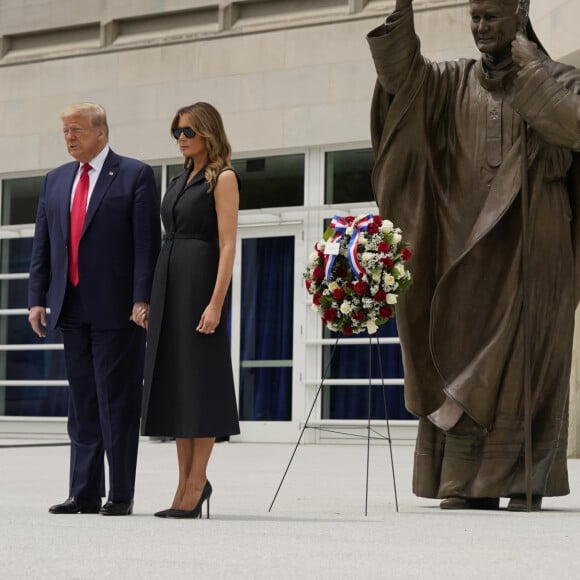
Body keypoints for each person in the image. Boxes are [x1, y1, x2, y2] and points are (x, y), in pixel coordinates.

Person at [367, 0, 580, 510]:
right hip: (464, 238)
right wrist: (401, 17)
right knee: (458, 350)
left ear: (520, 13)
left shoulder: (562, 78)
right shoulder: (452, 82)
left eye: (492, 17)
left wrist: (533, 68)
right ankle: (462, 481)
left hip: (534, 241)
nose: (481, 28)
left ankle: (522, 478)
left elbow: (570, 126)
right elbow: (405, 84)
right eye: (475, 17)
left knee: (527, 357)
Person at [28, 103, 160, 516]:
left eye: (77, 130)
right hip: (69, 305)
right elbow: (43, 245)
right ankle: (83, 491)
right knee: (82, 402)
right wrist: (36, 298)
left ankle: (120, 493)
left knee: (116, 402)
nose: (69, 137)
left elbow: (145, 245)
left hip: (118, 309)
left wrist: (143, 298)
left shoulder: (135, 174)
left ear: (101, 132)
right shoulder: (54, 180)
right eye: (65, 131)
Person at [140, 102, 241, 519]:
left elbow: (228, 243)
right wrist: (151, 298)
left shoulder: (224, 178)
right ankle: (183, 483)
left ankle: (197, 482)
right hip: (170, 283)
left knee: (199, 386)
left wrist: (216, 302)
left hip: (201, 284)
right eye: (177, 133)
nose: (181, 138)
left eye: (188, 132)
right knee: (178, 387)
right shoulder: (181, 179)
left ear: (207, 133)